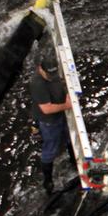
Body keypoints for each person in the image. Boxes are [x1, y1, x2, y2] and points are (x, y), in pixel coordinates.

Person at [29, 48, 72, 194]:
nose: (51, 76)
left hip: (60, 115)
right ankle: (48, 181)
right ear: (40, 68)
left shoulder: (52, 75)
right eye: (49, 74)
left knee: (68, 137)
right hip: (49, 121)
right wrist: (66, 105)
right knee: (50, 149)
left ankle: (74, 160)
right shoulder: (37, 84)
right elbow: (46, 109)